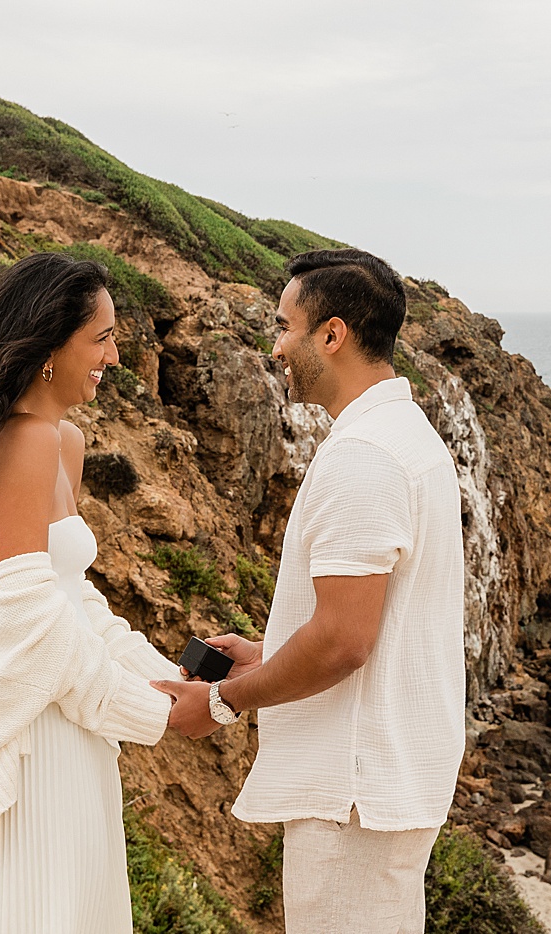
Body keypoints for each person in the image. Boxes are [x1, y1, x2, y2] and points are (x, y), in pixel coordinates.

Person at [153, 249, 467, 934]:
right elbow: (379, 626)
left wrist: (223, 701)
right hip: (385, 778)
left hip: (352, 795)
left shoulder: (364, 456)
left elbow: (345, 641)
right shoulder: (408, 438)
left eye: (283, 327)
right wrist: (269, 655)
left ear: (332, 334)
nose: (275, 347)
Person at [0, 254, 181, 933]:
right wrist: (154, 716)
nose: (115, 355)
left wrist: (166, 678)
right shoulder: (27, 442)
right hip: (37, 731)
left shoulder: (63, 441)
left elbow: (73, 598)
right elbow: (28, 616)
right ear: (46, 343)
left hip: (73, 724)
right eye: (101, 337)